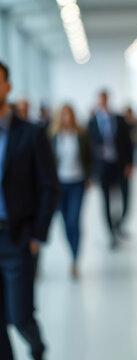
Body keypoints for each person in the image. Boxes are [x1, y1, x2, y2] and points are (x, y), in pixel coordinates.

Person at [0, 61, 59, 360]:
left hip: (18, 236)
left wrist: (38, 234)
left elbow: (50, 186)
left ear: (7, 87)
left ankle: (38, 348)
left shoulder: (31, 133)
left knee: (20, 314)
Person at [50, 104, 92, 278]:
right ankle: (71, 250)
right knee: (65, 223)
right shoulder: (53, 136)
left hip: (77, 183)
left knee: (74, 220)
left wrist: (89, 176)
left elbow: (90, 157)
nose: (67, 118)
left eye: (70, 114)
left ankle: (75, 259)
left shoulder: (81, 134)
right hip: (59, 185)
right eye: (64, 114)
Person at [88, 90, 133, 248]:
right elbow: (89, 147)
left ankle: (119, 222)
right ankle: (111, 233)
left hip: (120, 164)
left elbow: (128, 143)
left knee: (125, 197)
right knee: (106, 200)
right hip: (103, 167)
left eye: (105, 99)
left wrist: (130, 163)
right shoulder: (92, 122)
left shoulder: (119, 119)